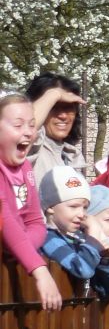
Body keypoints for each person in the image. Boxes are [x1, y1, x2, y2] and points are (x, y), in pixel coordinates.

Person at [0, 92, 63, 310]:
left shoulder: (25, 167)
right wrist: (39, 269)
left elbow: (36, 219)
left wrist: (20, 246)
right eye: (18, 125)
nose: (27, 132)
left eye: (32, 125)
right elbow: (5, 220)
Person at [39, 165, 109, 297]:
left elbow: (107, 289)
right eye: (74, 206)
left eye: (84, 207)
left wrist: (106, 261)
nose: (81, 214)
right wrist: (93, 235)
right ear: (50, 207)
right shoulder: (47, 238)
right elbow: (82, 269)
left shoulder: (77, 240)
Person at [25, 72, 87, 184]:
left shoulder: (72, 155)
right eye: (54, 107)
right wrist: (54, 94)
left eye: (68, 108)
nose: (63, 116)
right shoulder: (29, 149)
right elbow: (24, 127)